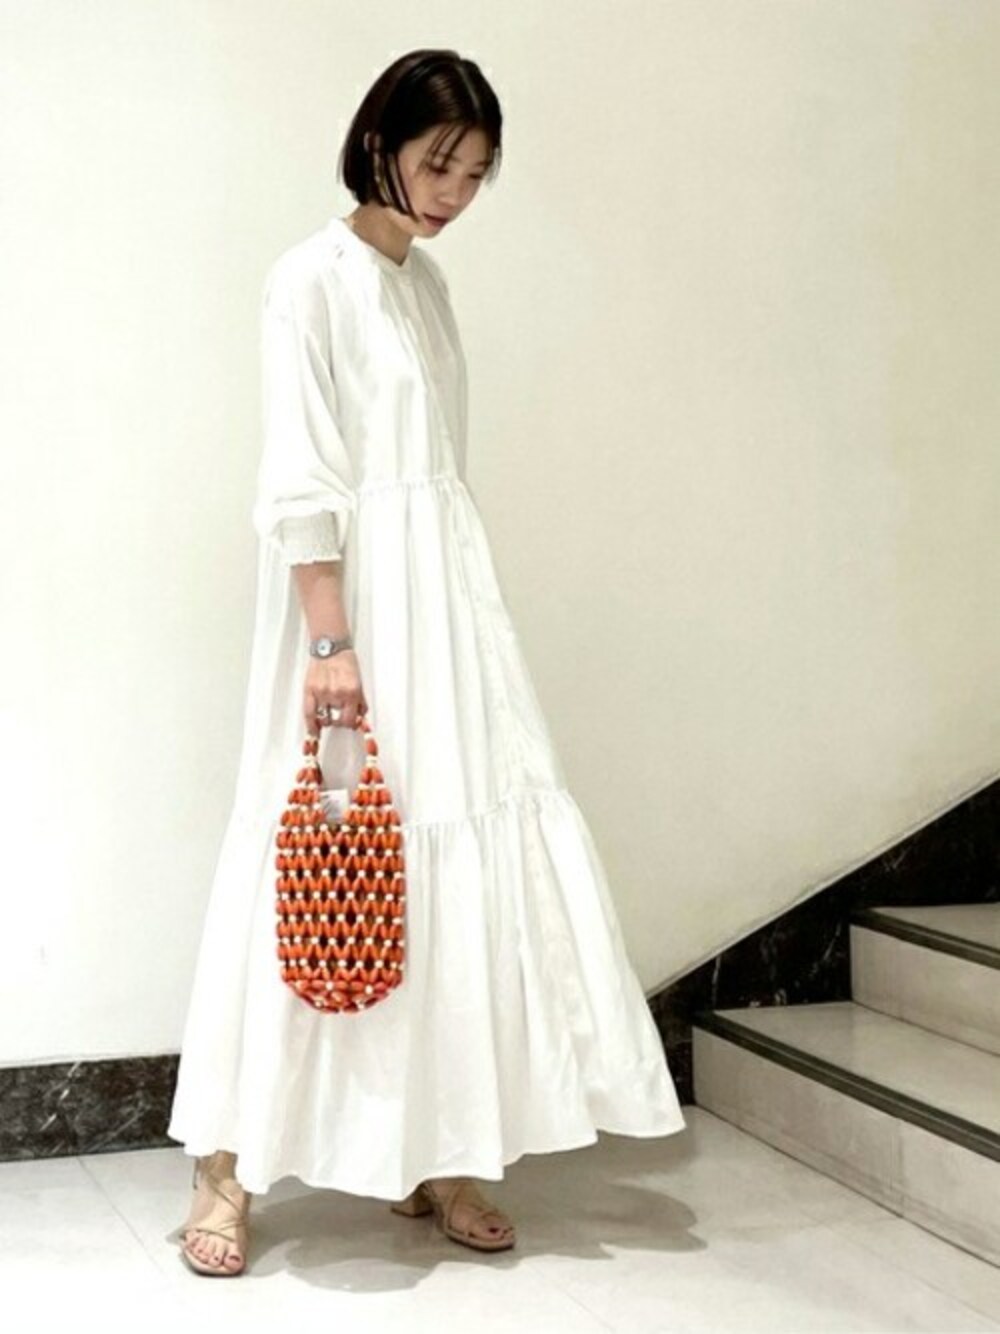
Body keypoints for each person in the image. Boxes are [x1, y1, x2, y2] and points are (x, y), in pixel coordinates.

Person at [167, 47, 686, 1277]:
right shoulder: (309, 278)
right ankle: (226, 1166)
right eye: (438, 162)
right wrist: (330, 643)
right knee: (321, 848)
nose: (454, 191)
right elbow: (300, 472)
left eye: (476, 172)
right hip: (349, 611)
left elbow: (436, 472)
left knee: (442, 856)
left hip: (442, 609)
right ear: (380, 142)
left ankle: (437, 1148)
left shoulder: (426, 283)